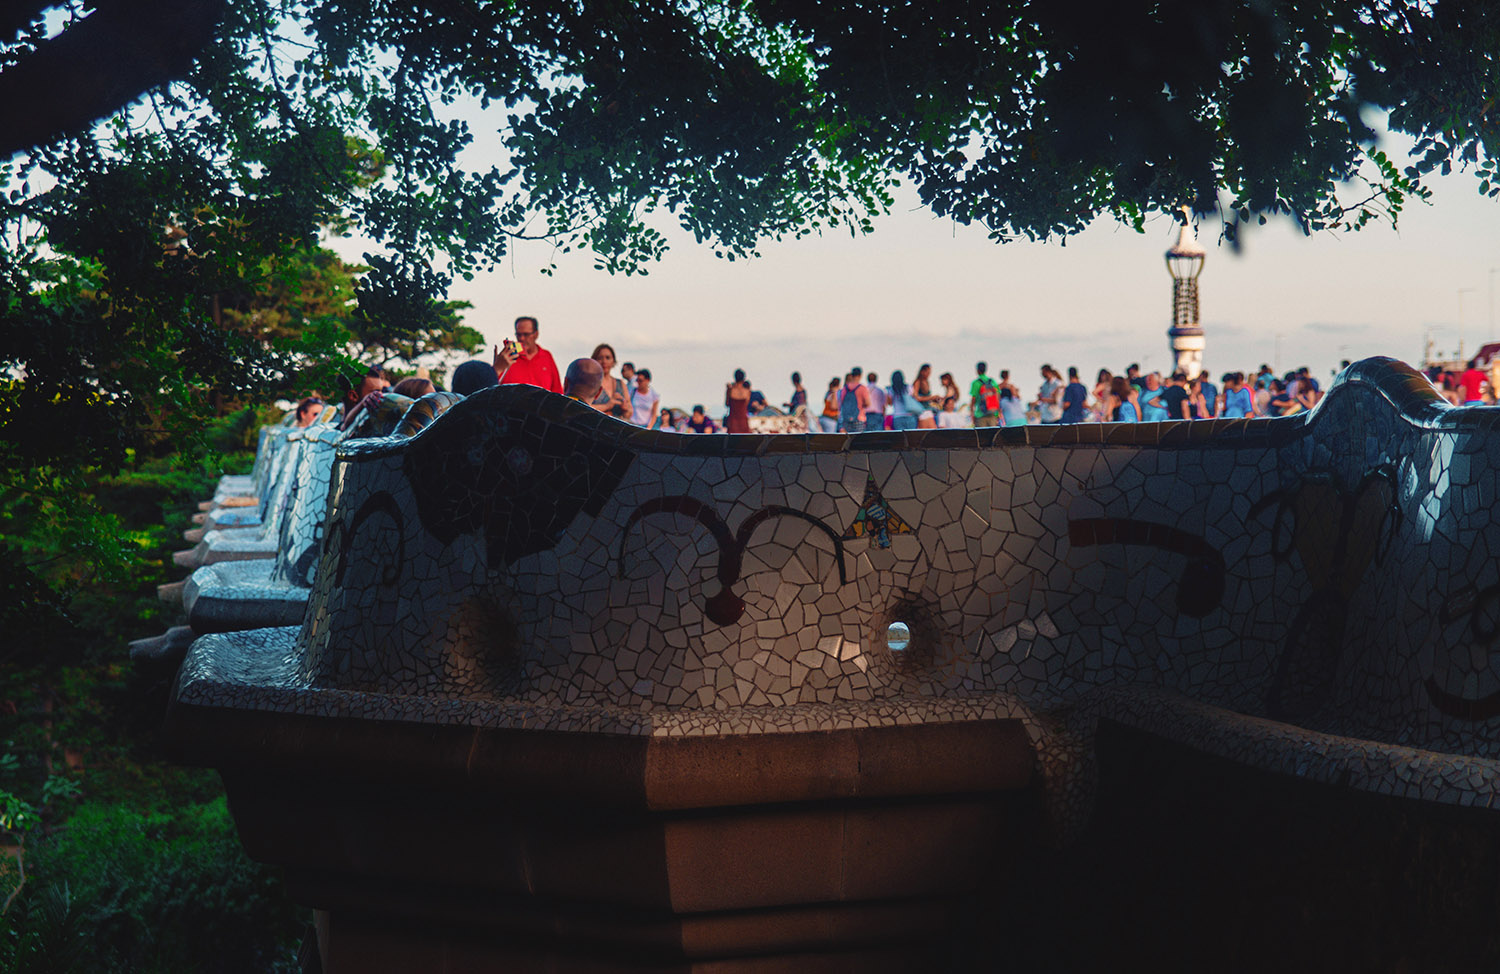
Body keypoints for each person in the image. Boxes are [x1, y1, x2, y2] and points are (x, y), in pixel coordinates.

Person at [493, 315, 563, 393]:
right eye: (519, 335)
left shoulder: (546, 356)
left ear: (536, 334)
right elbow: (493, 386)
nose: (522, 338)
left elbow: (557, 390)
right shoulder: (508, 358)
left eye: (526, 334)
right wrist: (496, 367)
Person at [591, 343, 629, 418]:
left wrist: (625, 409)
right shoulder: (590, 383)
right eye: (600, 358)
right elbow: (584, 407)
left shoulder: (620, 384)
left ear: (613, 361)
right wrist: (607, 406)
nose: (604, 361)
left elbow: (629, 413)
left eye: (607, 358)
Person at [969, 362, 1001, 428]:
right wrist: (998, 413)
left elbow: (973, 400)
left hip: (980, 414)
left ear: (977, 370)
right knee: (993, 435)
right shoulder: (992, 381)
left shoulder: (976, 383)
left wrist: (972, 414)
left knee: (982, 436)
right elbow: (998, 396)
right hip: (993, 413)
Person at [725, 368, 752, 433]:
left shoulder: (730, 390)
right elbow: (746, 403)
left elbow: (727, 403)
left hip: (732, 421)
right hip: (743, 421)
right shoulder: (747, 391)